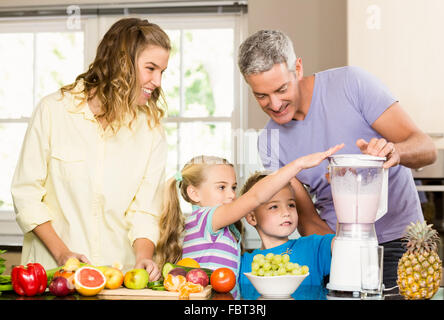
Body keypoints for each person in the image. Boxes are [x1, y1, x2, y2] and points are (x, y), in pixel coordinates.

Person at [237, 29, 437, 289]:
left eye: (281, 89)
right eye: (261, 96)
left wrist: (394, 152)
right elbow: (307, 219)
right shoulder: (269, 142)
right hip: (339, 250)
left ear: (297, 68)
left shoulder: (351, 84)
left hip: (403, 243)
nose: (274, 104)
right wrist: (347, 254)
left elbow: (426, 147)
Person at [11, 18, 171, 281]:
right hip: (52, 274)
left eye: (162, 72)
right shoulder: (53, 111)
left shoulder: (151, 129)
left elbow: (145, 210)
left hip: (116, 276)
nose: (157, 81)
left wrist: (143, 256)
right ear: (121, 63)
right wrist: (63, 255)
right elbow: (26, 193)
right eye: (150, 68)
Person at [155, 145, 343, 295]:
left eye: (233, 187)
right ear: (193, 193)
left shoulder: (222, 232)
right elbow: (255, 197)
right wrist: (297, 165)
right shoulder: (205, 218)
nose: (231, 195)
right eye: (221, 187)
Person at [238, 171, 335, 300]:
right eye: (274, 207)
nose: (286, 212)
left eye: (291, 205)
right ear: (251, 217)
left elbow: (348, 244)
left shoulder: (314, 246)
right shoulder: (241, 263)